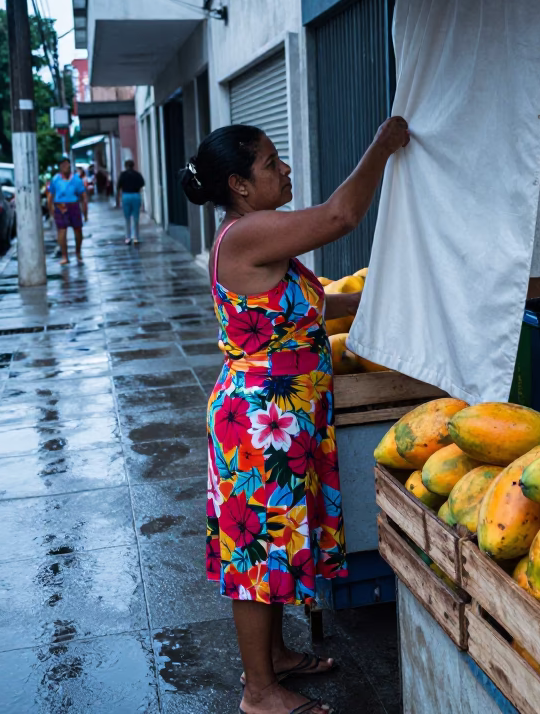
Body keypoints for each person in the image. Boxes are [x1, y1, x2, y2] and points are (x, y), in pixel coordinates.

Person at [183, 116, 409, 714]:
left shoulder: (255, 237)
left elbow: (310, 306)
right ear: (238, 184)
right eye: (270, 163)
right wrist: (380, 145)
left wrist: (374, 299)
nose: (285, 170)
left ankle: (276, 658)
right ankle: (259, 692)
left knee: (276, 544)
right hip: (261, 423)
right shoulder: (246, 235)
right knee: (259, 552)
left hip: (282, 419)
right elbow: (340, 216)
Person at [47, 158, 89, 265]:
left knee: (78, 230)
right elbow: (50, 196)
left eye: (68, 164)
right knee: (62, 231)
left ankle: (78, 253)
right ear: (60, 167)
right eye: (64, 164)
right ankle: (65, 256)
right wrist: (51, 210)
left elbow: (83, 196)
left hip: (74, 206)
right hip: (60, 207)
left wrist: (85, 212)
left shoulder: (76, 179)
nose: (66, 166)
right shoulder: (55, 179)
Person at [117, 159, 145, 244]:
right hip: (136, 195)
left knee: (127, 218)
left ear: (125, 166)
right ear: (133, 166)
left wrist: (118, 199)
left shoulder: (123, 175)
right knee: (136, 218)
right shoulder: (137, 174)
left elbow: (118, 186)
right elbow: (142, 184)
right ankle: (136, 237)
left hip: (126, 196)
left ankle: (128, 238)